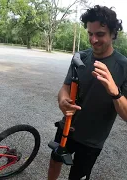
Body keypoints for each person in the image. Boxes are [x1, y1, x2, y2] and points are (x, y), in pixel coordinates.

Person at [48, 5, 127, 180]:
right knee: (55, 161)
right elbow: (66, 87)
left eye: (100, 34)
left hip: (92, 140)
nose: (93, 40)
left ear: (113, 34)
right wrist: (62, 100)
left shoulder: (123, 66)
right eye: (90, 34)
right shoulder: (80, 57)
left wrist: (114, 91)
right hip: (67, 127)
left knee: (78, 177)